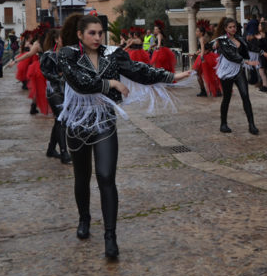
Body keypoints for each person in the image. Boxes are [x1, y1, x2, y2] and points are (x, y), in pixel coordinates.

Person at [57, 14, 190, 259]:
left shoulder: (113, 54)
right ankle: (84, 218)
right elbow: (80, 83)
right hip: (77, 120)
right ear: (79, 35)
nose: (97, 37)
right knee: (82, 176)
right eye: (92, 33)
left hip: (105, 118)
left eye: (100, 33)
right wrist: (112, 84)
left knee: (106, 176)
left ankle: (110, 236)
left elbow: (137, 70)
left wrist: (170, 77)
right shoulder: (67, 55)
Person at [215, 18, 267, 134]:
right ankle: (223, 124)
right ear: (225, 28)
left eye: (234, 26)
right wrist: (247, 62)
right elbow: (230, 55)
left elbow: (250, 46)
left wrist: (262, 52)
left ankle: (252, 125)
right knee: (227, 98)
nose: (233, 29)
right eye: (230, 27)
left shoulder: (240, 38)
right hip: (227, 71)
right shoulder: (222, 40)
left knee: (245, 96)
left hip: (238, 70)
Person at [39, 29, 71, 164]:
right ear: (56, 40)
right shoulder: (48, 55)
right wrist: (58, 78)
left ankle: (51, 149)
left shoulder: (67, 53)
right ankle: (64, 153)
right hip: (54, 91)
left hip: (66, 91)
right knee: (62, 119)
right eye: (62, 37)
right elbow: (44, 72)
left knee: (59, 120)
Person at [8, 27, 49, 115]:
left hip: (42, 67)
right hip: (44, 68)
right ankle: (36, 106)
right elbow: (28, 54)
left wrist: (15, 61)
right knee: (42, 88)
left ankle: (34, 107)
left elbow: (28, 54)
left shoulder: (39, 43)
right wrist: (15, 61)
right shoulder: (42, 43)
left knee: (40, 88)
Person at [192, 19, 221, 98]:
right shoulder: (201, 38)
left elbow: (203, 48)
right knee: (207, 74)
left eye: (197, 31)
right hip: (206, 56)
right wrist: (195, 53)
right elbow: (202, 49)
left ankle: (206, 90)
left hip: (205, 58)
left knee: (206, 74)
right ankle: (211, 90)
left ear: (201, 33)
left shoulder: (201, 39)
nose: (196, 32)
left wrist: (201, 56)